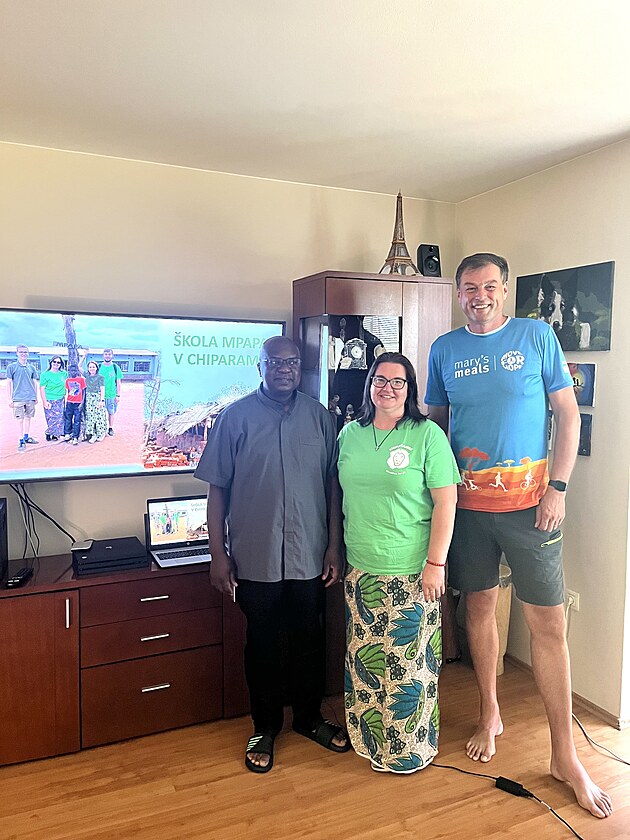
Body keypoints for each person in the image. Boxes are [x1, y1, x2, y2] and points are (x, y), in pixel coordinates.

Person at [425, 252, 612, 818]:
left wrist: (558, 487)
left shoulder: (535, 337)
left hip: (532, 510)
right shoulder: (444, 349)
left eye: (488, 286)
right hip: (467, 511)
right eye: (469, 287)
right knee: (479, 608)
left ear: (504, 291)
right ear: (459, 293)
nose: (478, 296)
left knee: (548, 627)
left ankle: (565, 755)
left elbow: (568, 415)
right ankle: (490, 712)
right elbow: (436, 429)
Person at [194, 336, 349, 774]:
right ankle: (264, 726)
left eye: (293, 362)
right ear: (259, 366)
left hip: (309, 557)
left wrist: (333, 546)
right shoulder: (234, 418)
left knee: (309, 640)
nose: (285, 369)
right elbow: (217, 490)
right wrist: (218, 555)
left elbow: (333, 487)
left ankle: (308, 718)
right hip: (254, 557)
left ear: (301, 367)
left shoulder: (321, 419)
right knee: (261, 644)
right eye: (276, 362)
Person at [337, 352, 459, 773]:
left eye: (397, 381)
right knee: (367, 662)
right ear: (369, 384)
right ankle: (370, 741)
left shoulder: (427, 436)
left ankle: (409, 750)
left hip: (413, 571)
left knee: (408, 667)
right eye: (379, 380)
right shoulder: (350, 434)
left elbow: (447, 502)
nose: (387, 388)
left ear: (410, 389)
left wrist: (436, 564)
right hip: (361, 571)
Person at [7, 344, 39, 452]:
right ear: (17, 353)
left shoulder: (32, 368)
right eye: (21, 352)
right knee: (20, 419)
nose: (23, 354)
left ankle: (26, 436)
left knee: (29, 417)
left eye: (25, 352)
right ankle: (21, 440)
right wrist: (9, 399)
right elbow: (9, 383)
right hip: (18, 398)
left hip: (30, 397)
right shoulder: (12, 367)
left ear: (28, 353)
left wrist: (35, 396)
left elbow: (35, 383)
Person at [39, 355, 68, 441]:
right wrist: (44, 401)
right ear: (51, 362)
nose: (56, 364)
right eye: (54, 362)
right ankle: (49, 432)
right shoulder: (45, 374)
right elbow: (42, 388)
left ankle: (55, 434)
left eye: (58, 362)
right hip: (49, 399)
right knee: (51, 418)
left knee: (60, 418)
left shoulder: (64, 374)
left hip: (60, 399)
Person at [98, 349, 123, 436]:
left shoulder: (116, 368)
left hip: (111, 395)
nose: (107, 356)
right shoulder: (99, 367)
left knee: (111, 412)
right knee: (99, 413)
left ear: (112, 356)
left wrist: (118, 395)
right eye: (106, 354)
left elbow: (118, 382)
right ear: (103, 356)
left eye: (109, 354)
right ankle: (100, 428)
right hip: (100, 395)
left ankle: (110, 428)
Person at [83, 360, 107, 442]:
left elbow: (102, 389)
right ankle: (93, 434)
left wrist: (102, 400)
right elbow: (79, 367)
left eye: (93, 367)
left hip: (97, 397)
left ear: (96, 368)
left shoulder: (100, 377)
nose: (92, 368)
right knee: (90, 416)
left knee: (99, 416)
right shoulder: (87, 375)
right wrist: (84, 356)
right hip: (89, 398)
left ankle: (101, 433)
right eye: (90, 367)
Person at [63, 363, 87, 445]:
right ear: (69, 371)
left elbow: (84, 392)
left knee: (77, 420)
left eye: (75, 370)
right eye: (71, 371)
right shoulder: (68, 380)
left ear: (77, 371)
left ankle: (75, 437)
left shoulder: (81, 380)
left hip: (78, 403)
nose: (73, 372)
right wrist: (67, 401)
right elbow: (68, 391)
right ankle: (67, 433)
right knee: (68, 418)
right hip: (69, 402)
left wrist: (82, 403)